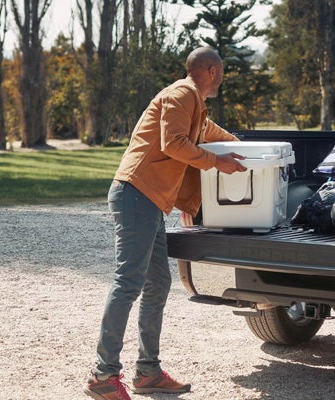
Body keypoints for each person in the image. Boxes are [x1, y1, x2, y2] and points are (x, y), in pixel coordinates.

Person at [84, 47, 247, 400]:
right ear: (210, 70)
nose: (222, 77)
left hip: (149, 199)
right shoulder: (181, 94)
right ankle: (103, 375)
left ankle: (148, 372)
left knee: (157, 282)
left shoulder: (195, 104)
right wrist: (217, 165)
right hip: (135, 193)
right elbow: (173, 143)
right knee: (128, 282)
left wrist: (252, 151)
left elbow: (212, 134)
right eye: (220, 71)